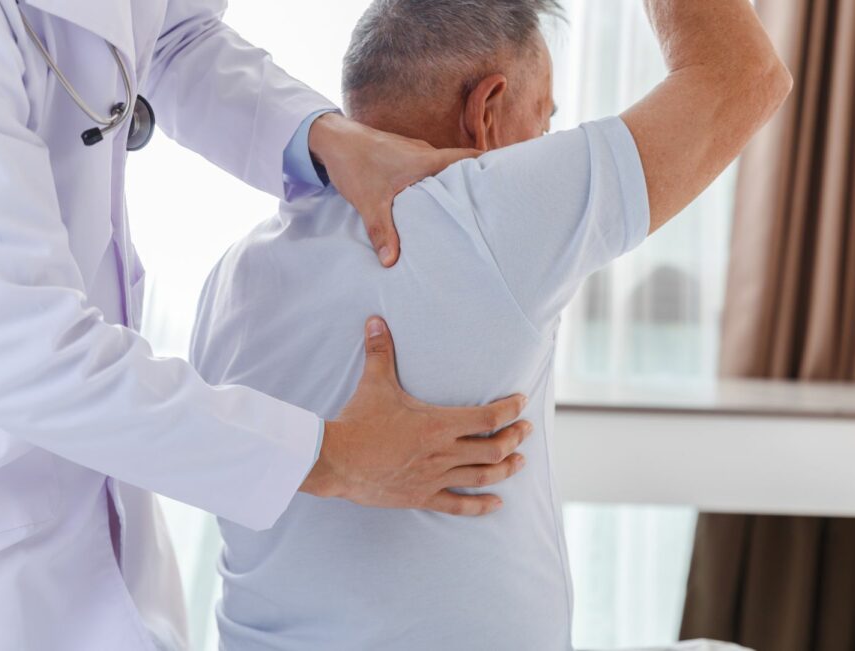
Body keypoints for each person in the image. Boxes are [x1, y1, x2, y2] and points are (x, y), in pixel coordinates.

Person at [190, 0, 792, 649]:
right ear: (487, 110)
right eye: (545, 116)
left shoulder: (233, 277)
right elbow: (745, 76)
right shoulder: (479, 213)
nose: (544, 139)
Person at [0, 2, 538, 650]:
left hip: (96, 507)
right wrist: (333, 456)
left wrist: (324, 136)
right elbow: (22, 351)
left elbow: (174, 36)